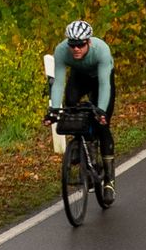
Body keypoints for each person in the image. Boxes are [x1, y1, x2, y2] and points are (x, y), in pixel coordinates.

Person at [47, 18, 117, 202]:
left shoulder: (101, 50)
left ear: (89, 42)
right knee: (70, 103)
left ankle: (109, 181)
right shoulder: (62, 51)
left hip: (102, 79)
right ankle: (81, 146)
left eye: (80, 45)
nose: (76, 49)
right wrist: (53, 109)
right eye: (73, 45)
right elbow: (59, 82)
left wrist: (101, 111)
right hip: (80, 77)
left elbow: (104, 85)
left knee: (102, 125)